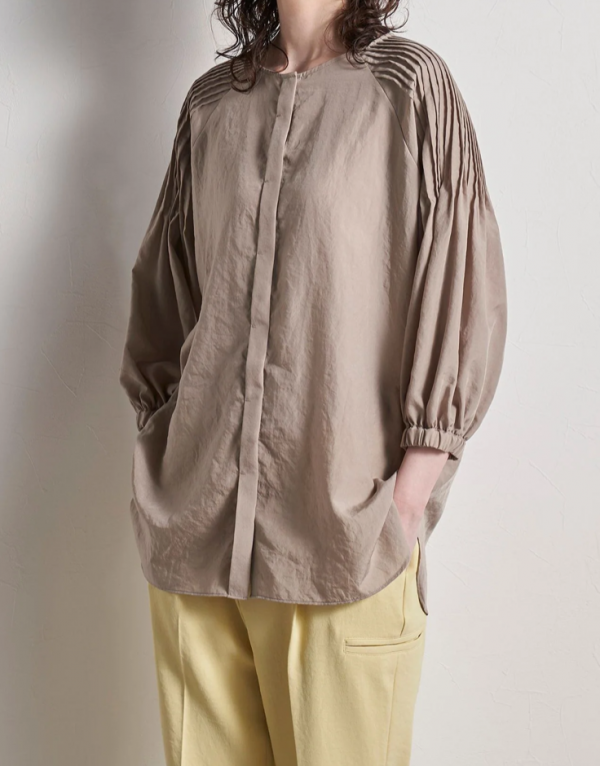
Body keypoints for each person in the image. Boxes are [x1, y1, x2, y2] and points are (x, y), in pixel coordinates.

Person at [119, 0, 508, 763]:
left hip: (343, 545)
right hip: (194, 548)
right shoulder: (210, 105)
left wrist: (405, 500)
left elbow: (459, 283)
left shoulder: (409, 87)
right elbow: (168, 299)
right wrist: (168, 455)